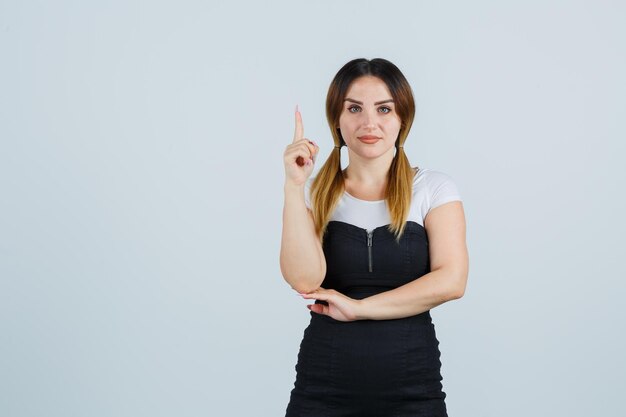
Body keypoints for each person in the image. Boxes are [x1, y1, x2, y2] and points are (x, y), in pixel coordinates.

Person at [280, 58, 469, 416]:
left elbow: (452, 281)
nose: (369, 123)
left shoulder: (433, 189)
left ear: (402, 119)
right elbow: (303, 279)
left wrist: (360, 309)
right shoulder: (314, 192)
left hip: (413, 391)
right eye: (354, 108)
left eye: (384, 109)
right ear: (337, 118)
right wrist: (293, 187)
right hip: (322, 388)